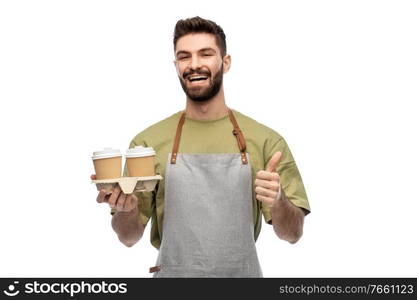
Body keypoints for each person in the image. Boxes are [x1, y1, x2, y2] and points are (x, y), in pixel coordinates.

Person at [92, 16, 311, 278]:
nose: (194, 64)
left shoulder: (265, 141)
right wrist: (126, 211)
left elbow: (293, 234)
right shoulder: (147, 144)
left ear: (225, 62)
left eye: (205, 54)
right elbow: (128, 237)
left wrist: (278, 200)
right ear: (176, 65)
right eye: (184, 57)